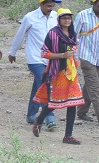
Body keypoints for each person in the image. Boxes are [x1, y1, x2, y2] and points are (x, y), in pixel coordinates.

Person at [32, 8, 85, 144]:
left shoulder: (72, 33)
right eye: (64, 18)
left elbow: (75, 50)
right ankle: (39, 120)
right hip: (57, 72)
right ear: (59, 20)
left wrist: (76, 62)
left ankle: (68, 135)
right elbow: (44, 53)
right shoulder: (53, 34)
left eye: (69, 18)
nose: (67, 20)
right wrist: (61, 56)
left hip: (71, 72)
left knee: (73, 102)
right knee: (56, 101)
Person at [8, 0, 60, 129]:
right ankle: (49, 116)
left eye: (52, 6)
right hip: (35, 58)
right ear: (41, 4)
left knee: (38, 85)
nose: (51, 8)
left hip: (50, 58)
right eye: (48, 6)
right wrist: (13, 52)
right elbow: (20, 35)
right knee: (45, 83)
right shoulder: (30, 17)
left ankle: (31, 115)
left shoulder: (55, 17)